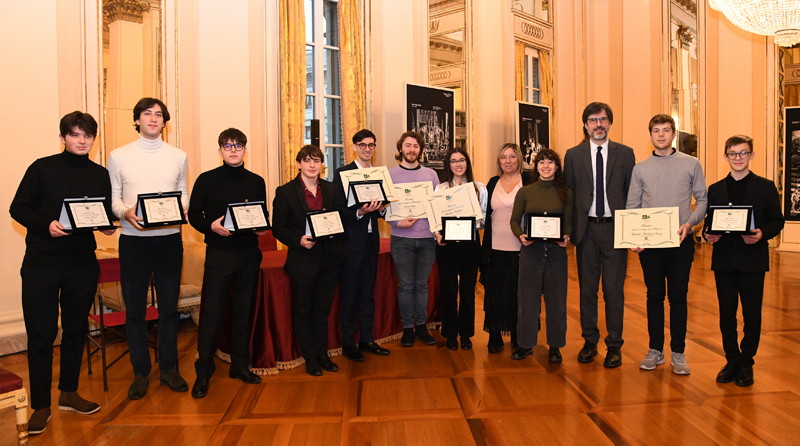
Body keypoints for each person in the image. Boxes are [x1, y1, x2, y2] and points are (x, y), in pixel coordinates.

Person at [10, 112, 116, 435]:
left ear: (93, 140)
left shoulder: (100, 174)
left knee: (75, 330)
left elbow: (103, 212)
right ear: (63, 138)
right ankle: (40, 405)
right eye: (75, 134)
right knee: (41, 335)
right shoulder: (41, 168)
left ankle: (68, 392)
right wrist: (47, 225)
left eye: (87, 135)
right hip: (42, 263)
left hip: (81, 263)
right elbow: (18, 208)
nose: (81, 140)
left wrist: (109, 227)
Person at [107, 97, 189, 399]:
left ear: (164, 122)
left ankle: (169, 369)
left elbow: (184, 195)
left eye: (158, 114)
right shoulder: (118, 155)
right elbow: (113, 200)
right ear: (137, 119)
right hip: (133, 241)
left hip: (169, 240)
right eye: (147, 114)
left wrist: (180, 209)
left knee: (169, 309)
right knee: (136, 311)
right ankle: (140, 372)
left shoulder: (178, 156)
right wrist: (126, 212)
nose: (153, 119)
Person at [187, 128, 266, 398]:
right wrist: (211, 226)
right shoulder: (206, 180)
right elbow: (194, 215)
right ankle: (204, 372)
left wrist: (262, 226)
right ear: (219, 150)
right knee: (212, 314)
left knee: (243, 312)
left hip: (249, 254)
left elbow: (261, 213)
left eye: (238, 145)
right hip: (220, 253)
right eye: (227, 145)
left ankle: (240, 365)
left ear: (245, 150)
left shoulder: (256, 181)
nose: (233, 150)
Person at [626, 114, 707, 375]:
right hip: (650, 246)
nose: (661, 135)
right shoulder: (641, 168)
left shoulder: (691, 164)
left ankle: (679, 352)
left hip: (680, 242)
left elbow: (702, 201)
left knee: (679, 297)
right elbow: (632, 207)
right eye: (656, 130)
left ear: (674, 134)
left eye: (666, 130)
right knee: (653, 296)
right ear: (650, 135)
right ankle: (655, 350)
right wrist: (633, 238)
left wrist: (690, 223)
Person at [704, 135, 784, 387]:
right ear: (726, 156)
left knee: (752, 314)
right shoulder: (715, 189)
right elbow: (710, 223)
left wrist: (763, 234)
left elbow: (776, 221)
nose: (738, 158)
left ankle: (747, 361)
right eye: (733, 153)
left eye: (743, 153)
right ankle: (731, 360)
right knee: (726, 314)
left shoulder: (765, 187)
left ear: (751, 155)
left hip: (753, 259)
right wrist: (708, 234)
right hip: (725, 260)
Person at [563, 102, 635, 367]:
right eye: (593, 120)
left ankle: (614, 345)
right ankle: (590, 341)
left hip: (616, 229)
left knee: (614, 291)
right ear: (585, 125)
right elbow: (568, 195)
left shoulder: (625, 154)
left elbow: (632, 196)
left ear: (610, 123)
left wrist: (633, 231)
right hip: (586, 231)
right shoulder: (573, 155)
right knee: (587, 290)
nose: (598, 124)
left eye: (603, 119)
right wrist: (568, 231)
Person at [272, 145, 345, 376]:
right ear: (299, 164)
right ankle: (311, 359)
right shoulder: (285, 192)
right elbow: (278, 228)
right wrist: (298, 240)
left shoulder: (332, 189)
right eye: (307, 160)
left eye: (316, 161)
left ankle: (323, 355)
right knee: (303, 311)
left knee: (322, 311)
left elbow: (340, 218)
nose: (312, 165)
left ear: (322, 164)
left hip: (329, 260)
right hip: (302, 261)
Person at [509, 149, 573, 362]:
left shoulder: (566, 193)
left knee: (556, 302)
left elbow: (570, 222)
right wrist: (521, 236)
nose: (546, 166)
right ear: (535, 167)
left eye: (550, 162)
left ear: (557, 167)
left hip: (556, 254)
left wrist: (567, 236)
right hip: (531, 253)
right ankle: (525, 344)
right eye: (542, 162)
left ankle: (555, 346)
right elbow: (514, 221)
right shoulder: (525, 192)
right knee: (528, 302)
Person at [333, 129, 391, 362]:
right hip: (350, 242)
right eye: (363, 145)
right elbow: (338, 208)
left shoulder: (379, 174)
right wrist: (359, 211)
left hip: (370, 242)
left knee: (368, 293)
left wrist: (383, 208)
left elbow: (385, 206)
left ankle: (367, 339)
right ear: (354, 147)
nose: (367, 149)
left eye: (371, 145)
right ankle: (349, 342)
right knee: (350, 293)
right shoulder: (343, 173)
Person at [387, 131, 440, 347]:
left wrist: (437, 231)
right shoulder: (389, 175)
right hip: (401, 239)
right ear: (400, 149)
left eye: (416, 146)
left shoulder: (431, 175)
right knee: (406, 286)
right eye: (407, 146)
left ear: (421, 149)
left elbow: (437, 207)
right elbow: (384, 208)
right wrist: (398, 223)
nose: (411, 150)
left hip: (427, 239)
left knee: (422, 285)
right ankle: (408, 328)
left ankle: (422, 327)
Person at [481, 143, 534, 353]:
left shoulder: (529, 181)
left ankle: (518, 334)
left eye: (512, 157)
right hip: (494, 248)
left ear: (519, 159)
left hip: (523, 249)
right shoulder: (492, 183)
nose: (508, 161)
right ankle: (494, 334)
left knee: (518, 294)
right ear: (499, 161)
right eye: (504, 157)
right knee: (495, 293)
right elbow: (484, 214)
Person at [433, 148, 487, 350]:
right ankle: (450, 334)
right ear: (448, 165)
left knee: (467, 292)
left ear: (467, 163)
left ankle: (465, 334)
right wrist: (437, 233)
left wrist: (470, 217)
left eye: (461, 160)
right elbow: (435, 219)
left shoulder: (479, 188)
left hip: (470, 245)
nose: (458, 164)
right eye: (453, 161)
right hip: (446, 246)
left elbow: (482, 220)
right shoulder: (440, 189)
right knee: (448, 290)